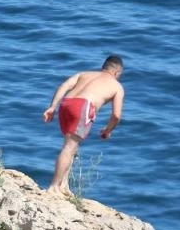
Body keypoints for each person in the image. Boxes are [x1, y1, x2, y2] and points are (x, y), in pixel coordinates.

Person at [42, 55, 125, 196]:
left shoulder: (84, 74)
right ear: (117, 72)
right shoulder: (117, 86)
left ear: (103, 67)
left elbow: (64, 86)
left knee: (70, 144)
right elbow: (116, 115)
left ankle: (64, 185)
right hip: (83, 107)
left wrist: (52, 107)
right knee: (69, 147)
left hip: (66, 103)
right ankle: (54, 187)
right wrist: (108, 130)